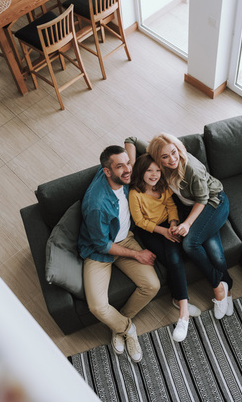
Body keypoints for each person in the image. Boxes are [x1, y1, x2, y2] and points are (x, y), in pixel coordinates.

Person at [126, 135, 234, 319]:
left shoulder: (191, 168)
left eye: (174, 152)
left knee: (191, 244)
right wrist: (132, 171)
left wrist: (187, 223)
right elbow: (131, 139)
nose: (172, 159)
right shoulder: (158, 157)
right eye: (165, 157)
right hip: (192, 207)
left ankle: (221, 290)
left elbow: (202, 199)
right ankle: (224, 286)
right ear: (157, 157)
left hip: (213, 202)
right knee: (213, 250)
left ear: (179, 148)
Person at [77, 145, 160, 363]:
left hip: (125, 238)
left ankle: (118, 325)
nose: (127, 170)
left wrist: (129, 158)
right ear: (106, 171)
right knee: (97, 306)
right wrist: (136, 255)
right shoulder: (96, 204)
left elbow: (130, 143)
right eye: (120, 166)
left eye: (128, 164)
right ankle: (128, 328)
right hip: (99, 250)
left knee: (152, 285)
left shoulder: (124, 177)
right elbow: (102, 245)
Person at [128, 153, 201, 343]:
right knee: (173, 259)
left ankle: (178, 301)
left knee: (175, 257)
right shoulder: (135, 194)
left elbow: (170, 205)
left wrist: (174, 223)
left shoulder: (162, 185)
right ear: (141, 172)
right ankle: (183, 313)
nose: (154, 175)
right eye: (149, 171)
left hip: (168, 225)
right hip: (150, 231)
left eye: (158, 171)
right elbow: (140, 221)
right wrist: (163, 231)